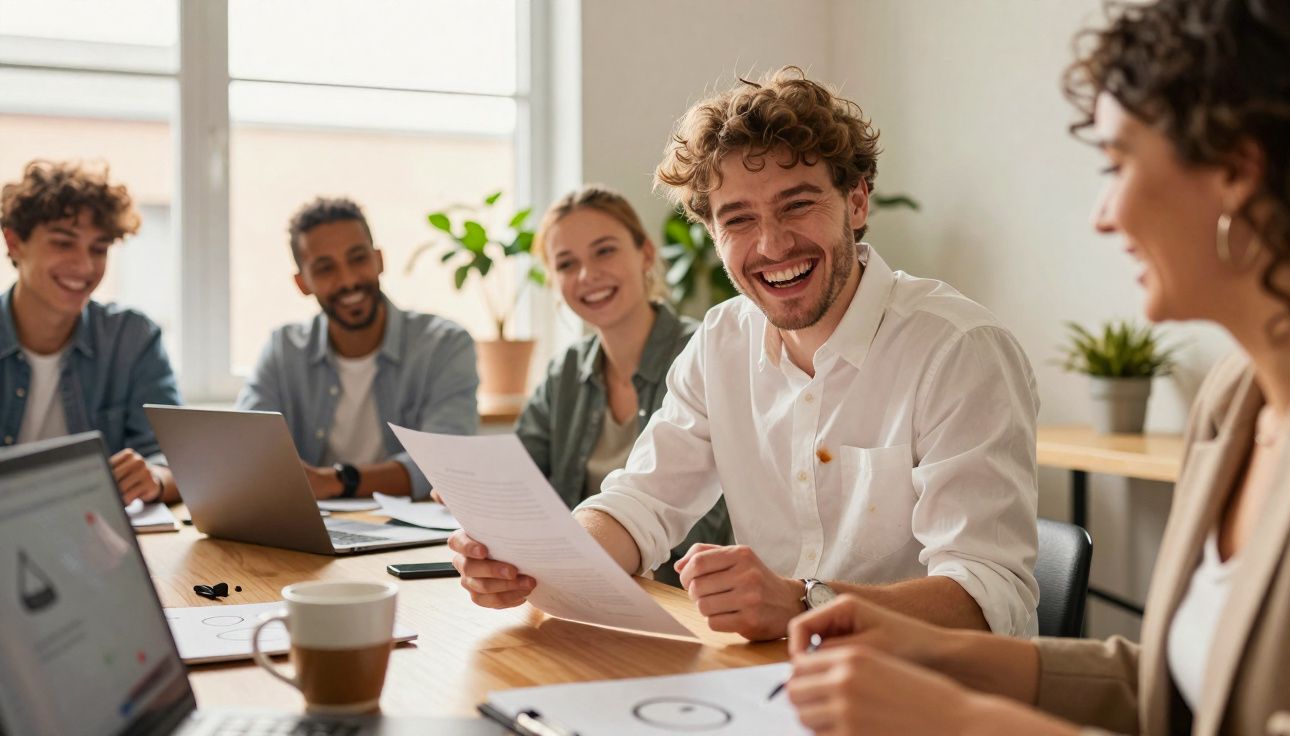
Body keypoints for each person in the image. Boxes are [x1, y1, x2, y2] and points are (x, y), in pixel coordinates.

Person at [783, 0, 1290, 733]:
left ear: (1236, 171)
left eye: (1116, 163)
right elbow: (1174, 689)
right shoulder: (1236, 403)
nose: (1102, 213)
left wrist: (958, 717)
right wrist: (932, 652)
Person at [450, 68, 1042, 641]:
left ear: (856, 202)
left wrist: (805, 603)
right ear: (712, 234)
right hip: (772, 685)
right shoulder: (720, 342)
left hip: (930, 694)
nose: (772, 244)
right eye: (738, 219)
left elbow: (990, 597)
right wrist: (539, 560)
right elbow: (642, 502)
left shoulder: (959, 350)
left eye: (797, 205)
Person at [513, 185, 731, 585]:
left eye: (605, 250)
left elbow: (705, 521)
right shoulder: (566, 372)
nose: (587, 275)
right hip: (581, 586)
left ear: (646, 253)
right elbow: (519, 478)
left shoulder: (704, 353)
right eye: (565, 264)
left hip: (676, 595)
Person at [237, 197, 478, 500]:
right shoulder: (283, 350)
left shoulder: (444, 345)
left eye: (358, 258)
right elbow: (247, 454)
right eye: (325, 269)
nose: (348, 280)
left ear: (379, 260)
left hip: (413, 533)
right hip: (314, 530)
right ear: (302, 283)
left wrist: (335, 481)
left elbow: (446, 463)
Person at [0, 159, 182, 504]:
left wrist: (153, 479)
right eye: (63, 243)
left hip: (94, 541)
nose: (85, 267)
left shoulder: (132, 338)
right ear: (14, 243)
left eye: (99, 249)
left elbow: (178, 463)